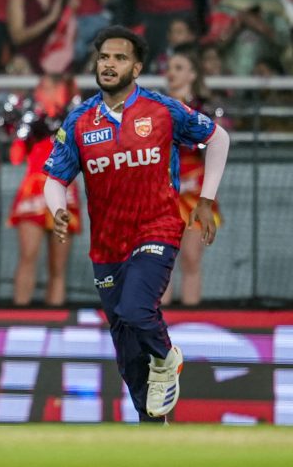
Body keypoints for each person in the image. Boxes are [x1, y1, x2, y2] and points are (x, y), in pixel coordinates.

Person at [43, 25, 230, 421]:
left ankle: (166, 356)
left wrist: (205, 200)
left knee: (135, 309)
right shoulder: (79, 121)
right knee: (127, 352)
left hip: (156, 228)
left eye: (120, 58)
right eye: (104, 57)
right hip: (106, 245)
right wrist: (57, 208)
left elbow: (218, 138)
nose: (109, 64)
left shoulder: (163, 110)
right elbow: (54, 178)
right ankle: (151, 427)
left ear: (137, 67)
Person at [9, 75, 81, 306]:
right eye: (41, 87)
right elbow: (15, 158)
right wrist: (24, 130)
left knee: (58, 267)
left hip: (64, 189)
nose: (42, 92)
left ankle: (56, 320)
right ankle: (19, 317)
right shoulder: (31, 119)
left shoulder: (75, 118)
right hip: (35, 188)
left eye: (49, 87)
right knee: (28, 256)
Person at [161, 49, 225, 306]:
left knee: (191, 256)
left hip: (193, 187)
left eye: (178, 68)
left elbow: (215, 147)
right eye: (170, 68)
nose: (171, 73)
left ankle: (191, 318)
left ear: (192, 74)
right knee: (161, 258)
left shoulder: (204, 109)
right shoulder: (154, 107)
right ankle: (158, 319)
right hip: (162, 187)